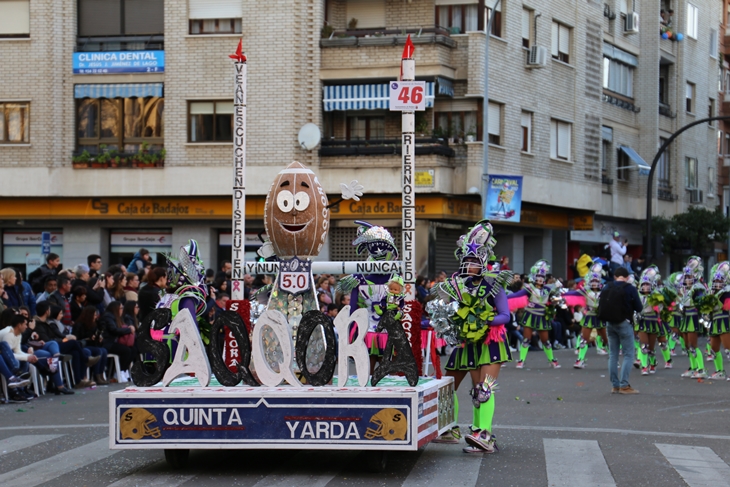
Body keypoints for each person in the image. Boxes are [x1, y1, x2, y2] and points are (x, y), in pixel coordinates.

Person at [431, 220, 511, 453]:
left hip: (489, 341)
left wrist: (485, 320)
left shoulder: (494, 284)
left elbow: (505, 315)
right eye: (466, 261)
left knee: (483, 389)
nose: (469, 265)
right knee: (448, 386)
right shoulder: (456, 286)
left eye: (474, 262)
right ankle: (449, 428)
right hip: (464, 341)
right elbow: (445, 311)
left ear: (483, 263)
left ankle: (483, 434)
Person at [338, 222, 400, 375]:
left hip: (379, 329)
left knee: (381, 371)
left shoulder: (394, 278)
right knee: (372, 371)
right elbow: (354, 309)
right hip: (370, 329)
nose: (379, 251)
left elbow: (398, 305)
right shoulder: (361, 278)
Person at [508, 260, 562, 369]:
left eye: (542, 277)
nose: (541, 279)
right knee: (526, 339)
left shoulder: (548, 289)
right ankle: (521, 361)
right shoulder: (529, 288)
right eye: (538, 276)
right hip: (530, 315)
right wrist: (504, 298)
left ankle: (552, 360)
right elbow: (517, 295)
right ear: (534, 277)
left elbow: (556, 299)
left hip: (542, 316)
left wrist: (556, 301)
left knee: (545, 340)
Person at [600, 267, 642, 394]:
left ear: (615, 276)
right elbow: (639, 307)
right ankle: (624, 385)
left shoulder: (607, 286)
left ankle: (615, 385)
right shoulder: (630, 288)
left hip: (609, 323)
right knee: (628, 354)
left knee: (613, 355)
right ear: (627, 277)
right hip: (624, 323)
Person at [564, 263, 608, 369]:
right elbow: (573, 293)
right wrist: (562, 295)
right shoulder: (585, 290)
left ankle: (613, 360)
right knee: (584, 339)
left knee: (606, 340)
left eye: (596, 281)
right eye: (592, 281)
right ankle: (580, 360)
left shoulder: (605, 290)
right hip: (589, 316)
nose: (594, 283)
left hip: (601, 317)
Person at [677, 256, 708, 379]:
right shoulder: (685, 289)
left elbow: (701, 303)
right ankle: (693, 367)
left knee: (693, 344)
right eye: (686, 277)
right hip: (685, 316)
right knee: (686, 345)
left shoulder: (698, 287)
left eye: (689, 277)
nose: (686, 279)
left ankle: (701, 368)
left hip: (693, 316)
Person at [99, 301, 136, 382]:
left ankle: (125, 370)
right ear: (116, 309)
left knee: (133, 350)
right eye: (121, 308)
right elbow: (114, 330)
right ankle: (119, 372)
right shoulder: (108, 317)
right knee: (126, 351)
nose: (122, 310)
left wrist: (130, 326)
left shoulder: (118, 317)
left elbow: (126, 322)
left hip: (116, 341)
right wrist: (129, 329)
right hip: (108, 343)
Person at [73, 305, 108, 385]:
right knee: (97, 351)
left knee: (104, 351)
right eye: (94, 315)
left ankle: (100, 373)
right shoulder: (79, 325)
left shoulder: (95, 324)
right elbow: (77, 338)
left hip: (92, 345)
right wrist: (88, 337)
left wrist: (99, 339)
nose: (96, 317)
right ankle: (94, 375)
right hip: (83, 345)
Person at [707, 262, 730, 380]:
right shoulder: (712, 293)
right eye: (715, 281)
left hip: (725, 320)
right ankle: (720, 371)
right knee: (714, 348)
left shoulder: (726, 292)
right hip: (715, 321)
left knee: (728, 349)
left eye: (719, 281)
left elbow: (728, 306)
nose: (717, 283)